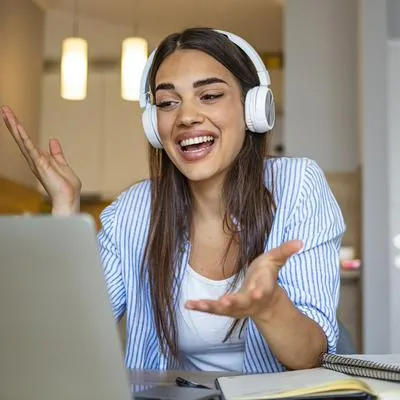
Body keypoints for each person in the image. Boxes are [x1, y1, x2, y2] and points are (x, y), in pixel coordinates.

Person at [1, 27, 345, 374]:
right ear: (154, 124)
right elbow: (73, 336)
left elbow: (310, 358)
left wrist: (270, 307)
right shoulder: (132, 212)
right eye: (167, 103)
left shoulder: (298, 186)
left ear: (253, 108)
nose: (186, 117)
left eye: (209, 95)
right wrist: (65, 209)